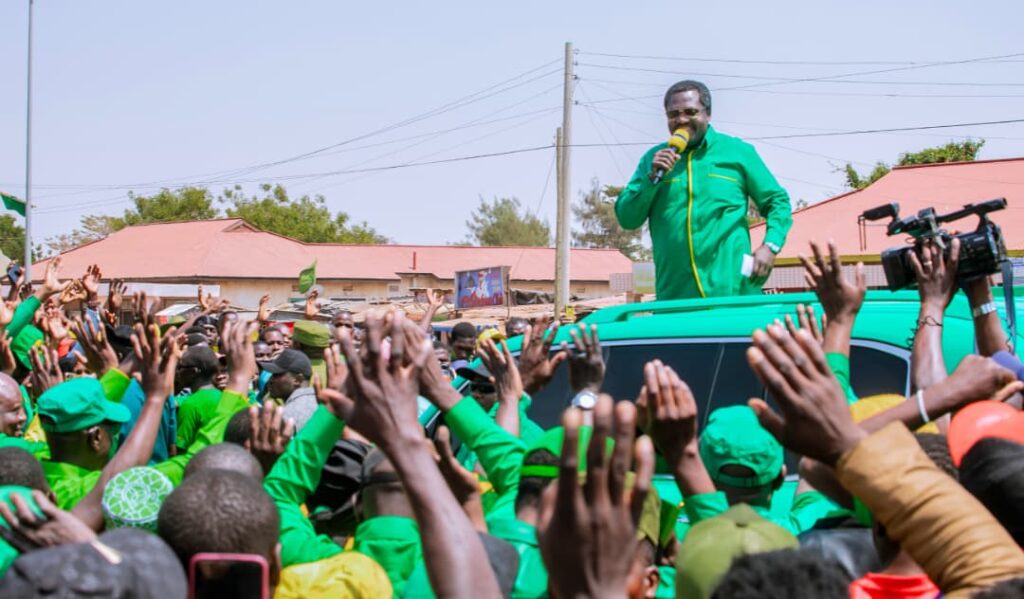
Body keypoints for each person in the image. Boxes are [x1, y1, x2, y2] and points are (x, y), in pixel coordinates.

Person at [615, 80, 792, 299]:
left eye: (690, 112)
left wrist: (770, 246)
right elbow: (627, 219)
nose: (681, 120)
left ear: (708, 114)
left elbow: (777, 201)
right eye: (673, 114)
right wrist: (651, 180)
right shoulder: (653, 160)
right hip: (676, 297)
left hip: (733, 293)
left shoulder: (738, 152)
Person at [174, 345, 223, 452]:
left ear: (193, 372)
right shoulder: (225, 398)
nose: (177, 372)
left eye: (180, 367)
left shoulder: (191, 405)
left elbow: (180, 449)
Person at [261, 349, 316, 430]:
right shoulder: (318, 402)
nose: (270, 380)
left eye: (277, 375)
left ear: (297, 380)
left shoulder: (288, 415)